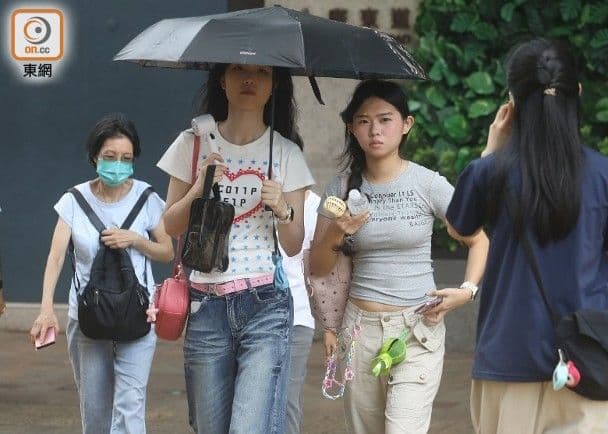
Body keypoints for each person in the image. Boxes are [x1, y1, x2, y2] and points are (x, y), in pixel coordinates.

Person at [446, 38, 608, 433]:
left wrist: (489, 150)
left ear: (512, 102)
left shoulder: (491, 173)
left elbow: (459, 227)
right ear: (578, 93)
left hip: (508, 358)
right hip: (590, 361)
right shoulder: (603, 175)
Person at [309, 80, 488, 434]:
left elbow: (479, 239)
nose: (375, 130)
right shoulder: (340, 190)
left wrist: (467, 291)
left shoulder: (427, 184)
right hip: (359, 333)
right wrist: (338, 230)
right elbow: (317, 267)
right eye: (363, 121)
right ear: (351, 128)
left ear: (406, 124)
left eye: (385, 119)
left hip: (417, 330)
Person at [157, 63, 315, 434]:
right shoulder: (191, 143)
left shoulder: (286, 152)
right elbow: (171, 224)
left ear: (273, 85)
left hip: (265, 305)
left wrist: (283, 208)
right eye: (239, 70)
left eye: (261, 72)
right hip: (205, 305)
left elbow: (293, 245)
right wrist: (200, 186)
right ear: (222, 82)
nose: (249, 79)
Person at [29, 113, 173, 434]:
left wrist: (134, 239)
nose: (118, 165)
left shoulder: (147, 198)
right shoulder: (73, 201)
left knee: (130, 407)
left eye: (126, 158)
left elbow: (167, 250)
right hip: (88, 320)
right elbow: (55, 257)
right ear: (94, 156)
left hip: (138, 315)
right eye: (110, 157)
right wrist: (46, 309)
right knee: (95, 413)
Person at [284, 189, 320, 434]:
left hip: (297, 314)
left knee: (287, 400)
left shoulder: (317, 207)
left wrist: (330, 325)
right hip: (251, 310)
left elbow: (321, 270)